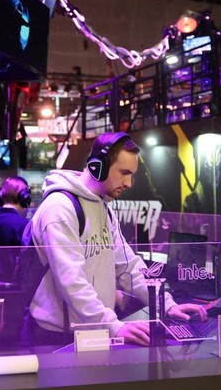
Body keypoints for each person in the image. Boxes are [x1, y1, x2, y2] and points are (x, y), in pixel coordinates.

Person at [28, 132, 205, 346]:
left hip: (95, 330)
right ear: (97, 167)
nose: (129, 183)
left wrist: (166, 304)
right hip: (58, 337)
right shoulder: (59, 209)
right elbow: (71, 281)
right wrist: (114, 325)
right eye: (124, 173)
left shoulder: (103, 207)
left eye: (132, 175)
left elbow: (129, 267)